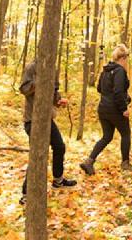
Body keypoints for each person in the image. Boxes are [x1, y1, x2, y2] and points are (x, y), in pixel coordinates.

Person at [19, 62, 76, 202]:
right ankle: (26, 194)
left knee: (59, 146)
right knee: (38, 154)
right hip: (32, 120)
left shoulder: (53, 67)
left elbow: (54, 91)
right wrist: (39, 83)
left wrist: (58, 101)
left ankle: (58, 180)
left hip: (47, 120)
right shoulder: (32, 68)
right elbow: (24, 88)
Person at [81, 45, 132, 175]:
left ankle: (89, 161)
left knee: (107, 136)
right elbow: (118, 91)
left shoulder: (105, 70)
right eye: (126, 58)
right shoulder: (119, 71)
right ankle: (125, 163)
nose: (126, 61)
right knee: (126, 133)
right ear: (122, 58)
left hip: (103, 108)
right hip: (115, 109)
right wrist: (123, 109)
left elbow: (100, 89)